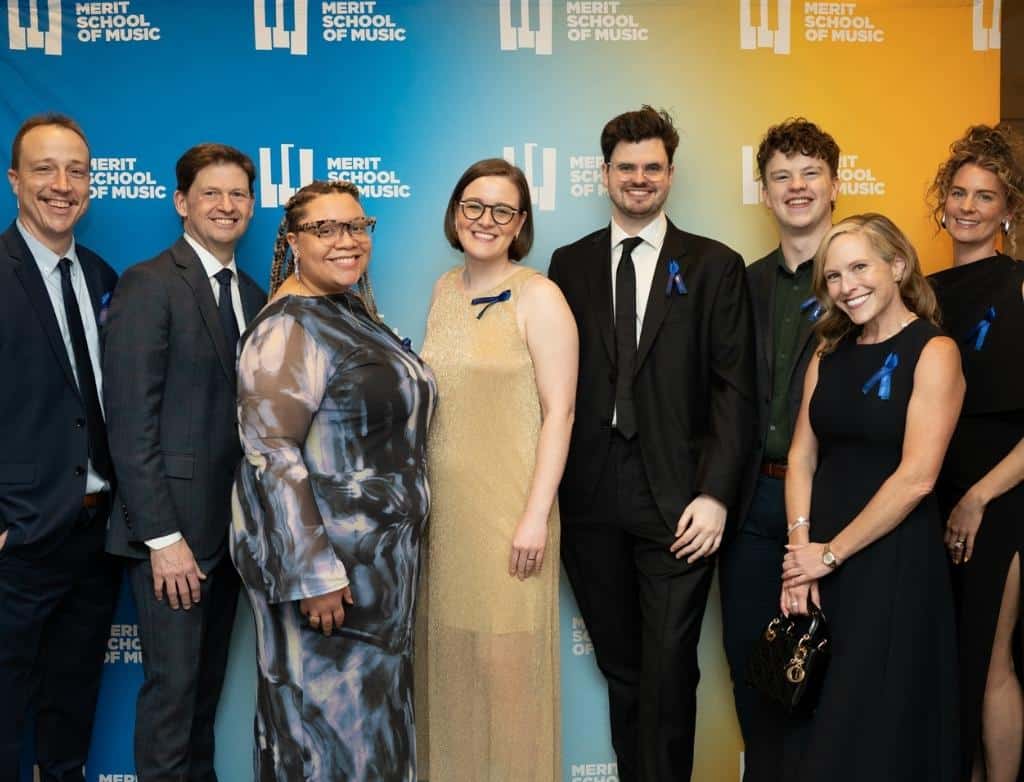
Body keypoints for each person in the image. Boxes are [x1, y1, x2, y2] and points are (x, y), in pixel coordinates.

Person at [547, 105, 756, 782]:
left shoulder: (714, 265)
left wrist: (717, 495)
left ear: (670, 174)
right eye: (626, 168)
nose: (640, 180)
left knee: (668, 670)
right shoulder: (569, 264)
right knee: (625, 671)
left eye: (653, 168)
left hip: (680, 502)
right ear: (605, 175)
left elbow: (734, 391)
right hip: (590, 499)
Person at [230, 179, 436, 781]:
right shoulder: (287, 327)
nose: (346, 241)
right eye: (325, 229)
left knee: (370, 738)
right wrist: (313, 573)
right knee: (325, 740)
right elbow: (271, 452)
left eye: (357, 226)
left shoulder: (346, 311)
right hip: (329, 581)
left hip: (378, 574)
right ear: (293, 240)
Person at [103, 143, 265, 781]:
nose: (227, 206)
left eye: (238, 195)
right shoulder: (149, 283)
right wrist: (162, 539)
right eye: (211, 194)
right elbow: (130, 422)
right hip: (172, 538)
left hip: (230, 539)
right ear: (181, 203)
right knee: (172, 700)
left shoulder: (252, 294)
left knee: (203, 703)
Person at [782, 213, 962, 781]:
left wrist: (830, 554)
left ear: (898, 266)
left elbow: (917, 478)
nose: (846, 285)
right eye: (833, 276)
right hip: (821, 560)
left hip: (891, 562)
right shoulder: (827, 351)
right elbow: (801, 458)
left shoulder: (934, 351)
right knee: (819, 725)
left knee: (879, 730)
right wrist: (801, 560)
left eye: (859, 267)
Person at [417, 158, 577, 780]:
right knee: (450, 670)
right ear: (456, 214)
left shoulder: (540, 296)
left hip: (513, 515)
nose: (486, 221)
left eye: (502, 210)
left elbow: (560, 413)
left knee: (509, 681)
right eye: (473, 207)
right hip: (446, 519)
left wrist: (535, 517)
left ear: (521, 223)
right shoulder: (441, 289)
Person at [0, 113, 121, 780]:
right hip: (17, 541)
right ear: (15, 180)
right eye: (44, 168)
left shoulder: (102, 276)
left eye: (76, 170)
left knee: (70, 717)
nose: (62, 184)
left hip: (93, 539)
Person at [720, 118, 840, 782]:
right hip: (750, 506)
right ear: (764, 192)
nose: (795, 188)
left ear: (835, 184)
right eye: (780, 176)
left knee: (832, 670)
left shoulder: (864, 279)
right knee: (756, 672)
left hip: (835, 505)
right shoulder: (743, 281)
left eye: (809, 173)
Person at [928, 123, 1024, 782]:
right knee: (948, 662)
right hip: (933, 495)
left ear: (1008, 212)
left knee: (991, 661)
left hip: (1001, 496)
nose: (968, 206)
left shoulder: (1019, 286)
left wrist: (978, 497)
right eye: (958, 193)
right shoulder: (923, 292)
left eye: (985, 197)